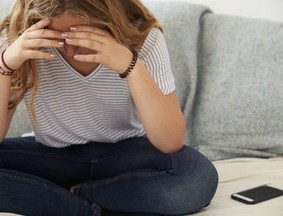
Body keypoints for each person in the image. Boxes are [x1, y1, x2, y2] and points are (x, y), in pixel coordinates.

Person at [0, 0, 218, 215]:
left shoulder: (143, 38)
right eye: (57, 36)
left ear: (106, 19)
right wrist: (6, 65)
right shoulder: (16, 41)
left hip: (126, 154)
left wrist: (130, 66)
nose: (68, 48)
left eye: (79, 34)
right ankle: (87, 207)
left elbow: (170, 143)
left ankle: (68, 196)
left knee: (197, 177)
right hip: (54, 155)